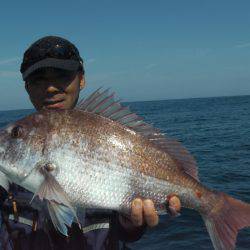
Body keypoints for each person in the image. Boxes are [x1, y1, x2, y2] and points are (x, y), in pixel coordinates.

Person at [0, 36, 181, 250]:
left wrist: (131, 223)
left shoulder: (110, 128)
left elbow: (125, 233)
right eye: (38, 79)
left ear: (81, 79)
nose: (50, 88)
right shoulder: (6, 168)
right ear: (27, 87)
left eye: (62, 75)